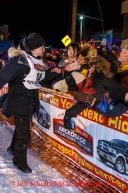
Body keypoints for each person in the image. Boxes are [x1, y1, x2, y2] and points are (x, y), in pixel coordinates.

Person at [0, 33, 61, 173]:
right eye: (41, 47)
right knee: (25, 133)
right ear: (33, 48)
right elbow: (3, 76)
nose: (44, 50)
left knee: (22, 127)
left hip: (30, 100)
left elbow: (42, 76)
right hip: (19, 101)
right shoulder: (20, 60)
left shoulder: (37, 59)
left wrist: (55, 71)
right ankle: (19, 160)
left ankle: (12, 148)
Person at [64, 56, 128, 130]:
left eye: (93, 69)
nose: (90, 70)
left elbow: (112, 110)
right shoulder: (96, 84)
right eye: (90, 68)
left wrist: (93, 102)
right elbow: (83, 100)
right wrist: (68, 114)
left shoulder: (114, 88)